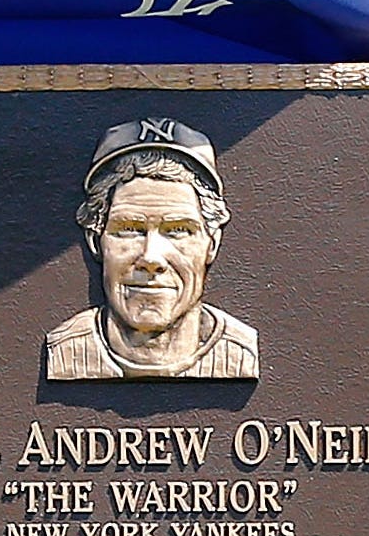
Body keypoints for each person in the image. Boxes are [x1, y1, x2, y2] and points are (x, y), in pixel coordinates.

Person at [45, 118, 261, 380]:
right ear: (95, 240)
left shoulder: (241, 353)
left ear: (212, 242)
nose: (151, 256)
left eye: (178, 230)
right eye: (129, 229)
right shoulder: (64, 352)